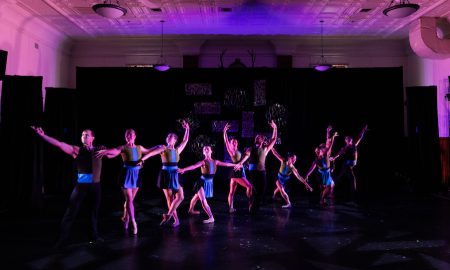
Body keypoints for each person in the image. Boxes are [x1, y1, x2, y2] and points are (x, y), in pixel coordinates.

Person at [31, 126, 106, 248]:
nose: (83, 136)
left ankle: (94, 236)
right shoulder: (76, 150)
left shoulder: (99, 150)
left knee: (93, 212)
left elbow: (116, 151)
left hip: (95, 185)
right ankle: (61, 240)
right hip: (82, 185)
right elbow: (59, 144)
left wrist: (109, 150)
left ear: (93, 138)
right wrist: (42, 135)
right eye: (82, 134)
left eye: (86, 135)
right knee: (71, 212)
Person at [95, 129, 158, 235]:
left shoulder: (139, 147)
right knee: (129, 200)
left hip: (137, 176)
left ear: (135, 136)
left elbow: (149, 151)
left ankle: (126, 218)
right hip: (127, 176)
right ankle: (133, 222)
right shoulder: (123, 147)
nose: (129, 136)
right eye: (127, 135)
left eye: (131, 134)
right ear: (125, 137)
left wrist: (159, 147)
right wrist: (105, 151)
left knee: (130, 201)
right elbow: (114, 151)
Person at [139, 120, 189, 227]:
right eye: (168, 137)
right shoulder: (163, 148)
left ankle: (168, 215)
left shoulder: (177, 150)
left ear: (175, 140)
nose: (169, 138)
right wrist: (143, 159)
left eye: (171, 137)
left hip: (176, 174)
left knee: (181, 197)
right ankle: (176, 220)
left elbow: (185, 140)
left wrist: (187, 129)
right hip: (166, 174)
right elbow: (152, 153)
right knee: (169, 199)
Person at [177, 145, 242, 223]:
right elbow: (193, 166)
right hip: (201, 182)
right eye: (204, 149)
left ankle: (191, 210)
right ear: (203, 152)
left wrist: (236, 165)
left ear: (211, 151)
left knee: (195, 197)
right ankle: (211, 217)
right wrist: (184, 169)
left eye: (208, 148)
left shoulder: (215, 161)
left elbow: (227, 164)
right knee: (203, 200)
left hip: (209, 182)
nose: (206, 149)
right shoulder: (203, 162)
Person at [245, 120, 277, 213]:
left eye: (259, 137)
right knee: (255, 189)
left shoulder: (265, 149)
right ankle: (252, 206)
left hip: (262, 171)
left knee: (262, 189)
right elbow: (246, 156)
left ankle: (254, 205)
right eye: (256, 137)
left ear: (262, 140)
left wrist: (275, 128)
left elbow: (274, 139)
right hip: (253, 172)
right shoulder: (251, 148)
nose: (257, 137)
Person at [223, 123, 254, 213]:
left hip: (236, 172)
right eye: (233, 142)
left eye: (236, 141)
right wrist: (225, 131)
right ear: (230, 144)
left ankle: (231, 208)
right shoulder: (231, 150)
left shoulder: (237, 150)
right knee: (249, 187)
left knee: (232, 192)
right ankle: (250, 204)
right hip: (237, 172)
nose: (235, 142)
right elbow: (226, 141)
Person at [305, 130, 338, 207]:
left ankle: (322, 199)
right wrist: (307, 175)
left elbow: (330, 145)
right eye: (319, 150)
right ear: (318, 152)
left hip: (327, 173)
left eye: (321, 150)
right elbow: (311, 168)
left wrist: (332, 137)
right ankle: (322, 200)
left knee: (329, 187)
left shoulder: (326, 154)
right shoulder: (317, 160)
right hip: (322, 174)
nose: (322, 150)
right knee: (325, 188)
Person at [332, 125, 368, 195]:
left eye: (349, 139)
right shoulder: (345, 147)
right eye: (347, 140)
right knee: (350, 177)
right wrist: (334, 157)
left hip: (352, 163)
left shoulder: (354, 144)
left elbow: (360, 137)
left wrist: (363, 130)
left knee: (341, 176)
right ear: (346, 141)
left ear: (351, 139)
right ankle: (353, 192)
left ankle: (333, 184)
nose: (348, 141)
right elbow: (339, 153)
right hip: (348, 164)